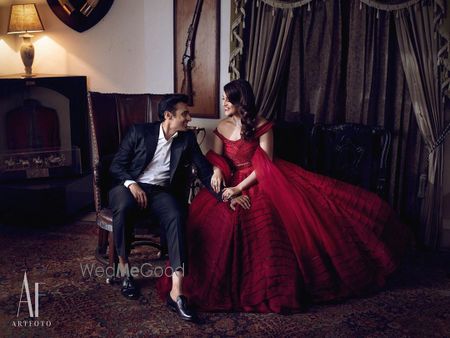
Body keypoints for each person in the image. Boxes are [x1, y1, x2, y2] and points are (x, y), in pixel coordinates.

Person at [157, 79, 409, 313]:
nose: (223, 104)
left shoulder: (262, 125)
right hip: (230, 180)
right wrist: (216, 171)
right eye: (223, 99)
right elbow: (217, 157)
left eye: (227, 100)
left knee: (269, 221)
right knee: (214, 221)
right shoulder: (222, 126)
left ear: (239, 102)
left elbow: (265, 165)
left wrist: (238, 188)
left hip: (260, 179)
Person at [108, 94, 219, 321]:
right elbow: (116, 165)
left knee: (177, 215)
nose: (189, 118)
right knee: (124, 208)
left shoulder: (186, 139)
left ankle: (177, 291)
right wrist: (132, 184)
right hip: (129, 185)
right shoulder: (139, 131)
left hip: (160, 192)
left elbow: (204, 171)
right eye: (184, 114)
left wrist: (224, 192)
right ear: (169, 116)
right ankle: (125, 271)